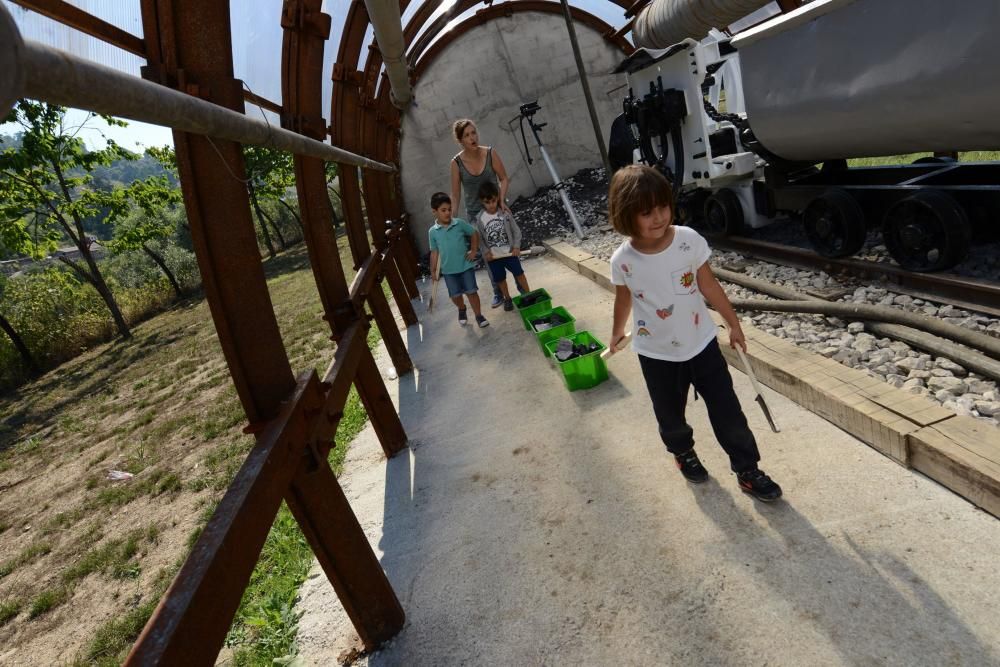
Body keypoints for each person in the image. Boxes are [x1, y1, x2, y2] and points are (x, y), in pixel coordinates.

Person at [606, 165, 782, 501]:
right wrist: (615, 332)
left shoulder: (688, 240)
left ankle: (747, 469)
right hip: (656, 353)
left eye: (663, 206)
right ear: (626, 214)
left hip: (701, 344)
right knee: (670, 413)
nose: (658, 217)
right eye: (646, 212)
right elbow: (623, 298)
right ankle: (683, 452)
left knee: (728, 410)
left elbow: (708, 284)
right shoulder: (622, 260)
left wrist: (733, 323)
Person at [450, 118, 510, 309]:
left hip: (496, 209)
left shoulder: (490, 153)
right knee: (488, 255)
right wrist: (451, 219)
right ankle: (498, 292)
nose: (472, 137)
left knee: (508, 250)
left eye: (473, 132)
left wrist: (501, 200)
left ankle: (518, 284)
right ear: (460, 140)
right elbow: (456, 193)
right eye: (467, 135)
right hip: (476, 216)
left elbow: (504, 178)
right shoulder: (456, 163)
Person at [428, 192, 489, 328]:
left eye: (449, 209)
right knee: (455, 295)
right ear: (434, 211)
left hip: (465, 266)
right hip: (449, 270)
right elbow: (434, 252)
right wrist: (433, 270)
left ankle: (479, 315)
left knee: (471, 292)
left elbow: (474, 233)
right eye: (443, 210)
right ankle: (461, 308)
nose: (448, 213)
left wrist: (473, 250)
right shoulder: (433, 232)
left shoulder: (459, 224)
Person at [473, 181, 531, 311]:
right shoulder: (480, 219)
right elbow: (480, 239)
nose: (491, 205)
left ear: (497, 197)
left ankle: (528, 295)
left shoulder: (504, 213)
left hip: (510, 253)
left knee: (519, 274)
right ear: (482, 202)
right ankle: (507, 298)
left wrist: (516, 246)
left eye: (493, 201)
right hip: (494, 257)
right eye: (487, 202)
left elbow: (516, 231)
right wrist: (486, 252)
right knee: (500, 279)